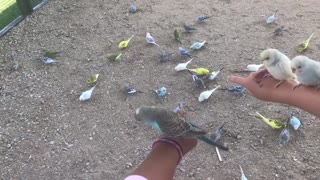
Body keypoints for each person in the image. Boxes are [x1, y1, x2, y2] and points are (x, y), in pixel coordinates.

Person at [125, 69, 320, 180]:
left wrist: (174, 141)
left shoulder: (160, 121)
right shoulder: (159, 116)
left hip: (181, 135)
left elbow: (178, 134)